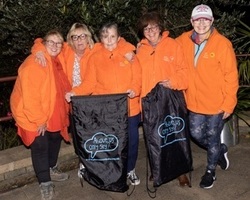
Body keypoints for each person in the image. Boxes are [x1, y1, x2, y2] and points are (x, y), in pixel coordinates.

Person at [65, 22, 142, 186]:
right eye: (105, 37)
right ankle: (111, 172)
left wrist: (134, 89)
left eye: (113, 36)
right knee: (111, 143)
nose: (109, 40)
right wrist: (75, 92)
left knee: (132, 141)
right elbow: (89, 83)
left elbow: (137, 77)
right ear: (100, 38)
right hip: (107, 111)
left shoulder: (129, 54)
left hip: (129, 107)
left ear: (119, 38)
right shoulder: (95, 57)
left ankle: (130, 170)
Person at [176, 4, 239, 189]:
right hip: (194, 102)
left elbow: (231, 77)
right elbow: (167, 45)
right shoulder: (184, 40)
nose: (201, 23)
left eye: (205, 19)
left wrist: (229, 104)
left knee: (212, 138)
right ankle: (220, 150)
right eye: (197, 19)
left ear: (211, 21)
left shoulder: (222, 44)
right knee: (195, 133)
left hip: (216, 104)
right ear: (191, 22)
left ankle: (210, 171)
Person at [10, 30, 71, 200]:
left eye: (58, 43)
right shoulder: (35, 64)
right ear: (43, 44)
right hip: (31, 112)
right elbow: (30, 98)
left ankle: (51, 168)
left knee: (55, 138)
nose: (55, 45)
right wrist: (39, 120)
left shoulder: (57, 59)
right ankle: (45, 182)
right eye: (50, 42)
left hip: (51, 108)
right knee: (40, 145)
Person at [136, 11, 190, 187]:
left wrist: (173, 81)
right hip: (150, 102)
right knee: (153, 137)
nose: (150, 30)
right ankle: (157, 169)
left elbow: (185, 72)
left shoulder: (173, 45)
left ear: (160, 28)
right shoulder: (140, 50)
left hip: (171, 99)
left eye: (154, 26)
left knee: (175, 135)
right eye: (146, 28)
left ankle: (181, 171)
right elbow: (136, 77)